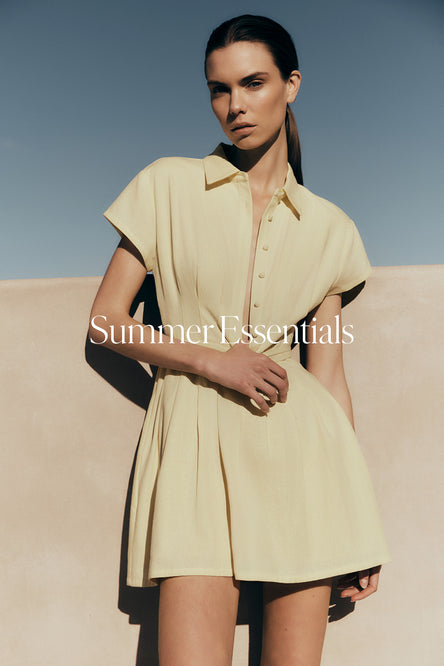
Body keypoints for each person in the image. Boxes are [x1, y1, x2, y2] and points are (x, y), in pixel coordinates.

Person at [88, 14, 391, 666]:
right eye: (218, 89)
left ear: (291, 84)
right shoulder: (167, 185)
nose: (235, 106)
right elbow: (106, 321)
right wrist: (210, 360)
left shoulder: (331, 228)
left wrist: (358, 520)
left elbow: (329, 376)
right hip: (194, 448)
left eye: (253, 83)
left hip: (304, 462)